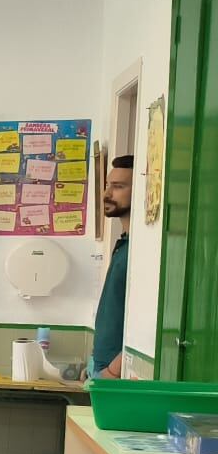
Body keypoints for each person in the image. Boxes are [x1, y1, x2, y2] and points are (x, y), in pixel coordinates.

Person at [90, 156, 135, 378]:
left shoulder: (141, 251)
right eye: (108, 185)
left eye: (118, 187)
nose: (107, 194)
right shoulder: (124, 244)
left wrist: (112, 370)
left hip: (117, 373)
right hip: (102, 368)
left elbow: (146, 321)